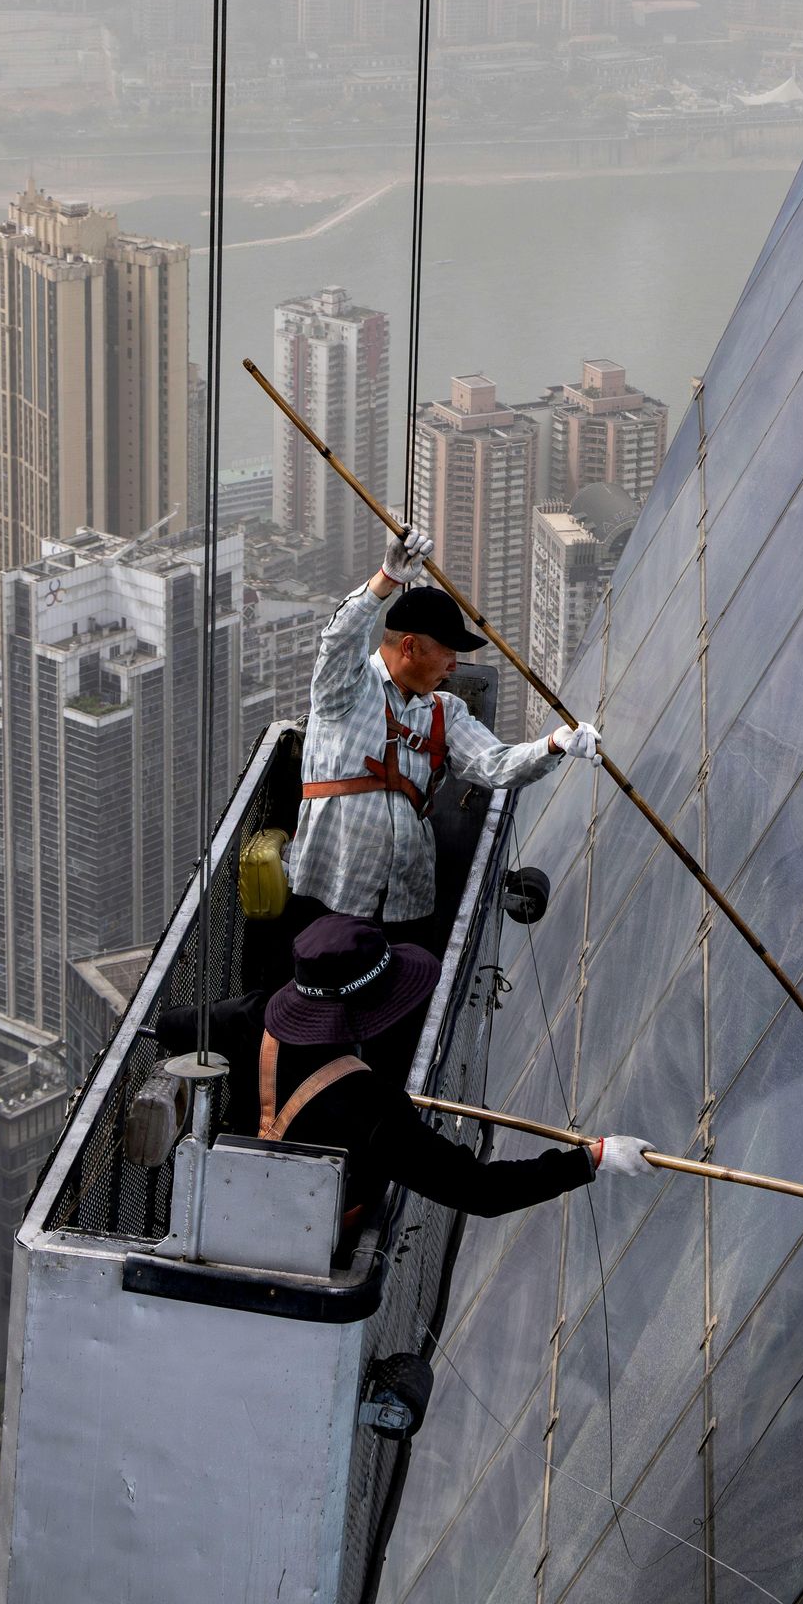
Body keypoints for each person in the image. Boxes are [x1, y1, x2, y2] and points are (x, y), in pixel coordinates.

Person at [157, 913, 652, 1238]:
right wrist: (592, 1159)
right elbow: (478, 1191)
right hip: (306, 1241)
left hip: (215, 1212)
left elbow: (173, 1024)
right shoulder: (373, 1111)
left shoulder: (254, 1017)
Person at [285, 525, 604, 950]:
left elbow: (495, 764)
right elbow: (339, 640)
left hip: (405, 904)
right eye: (448, 652)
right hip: (331, 890)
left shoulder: (445, 712)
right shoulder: (346, 691)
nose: (454, 666)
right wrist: (387, 580)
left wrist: (553, 744)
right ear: (411, 647)